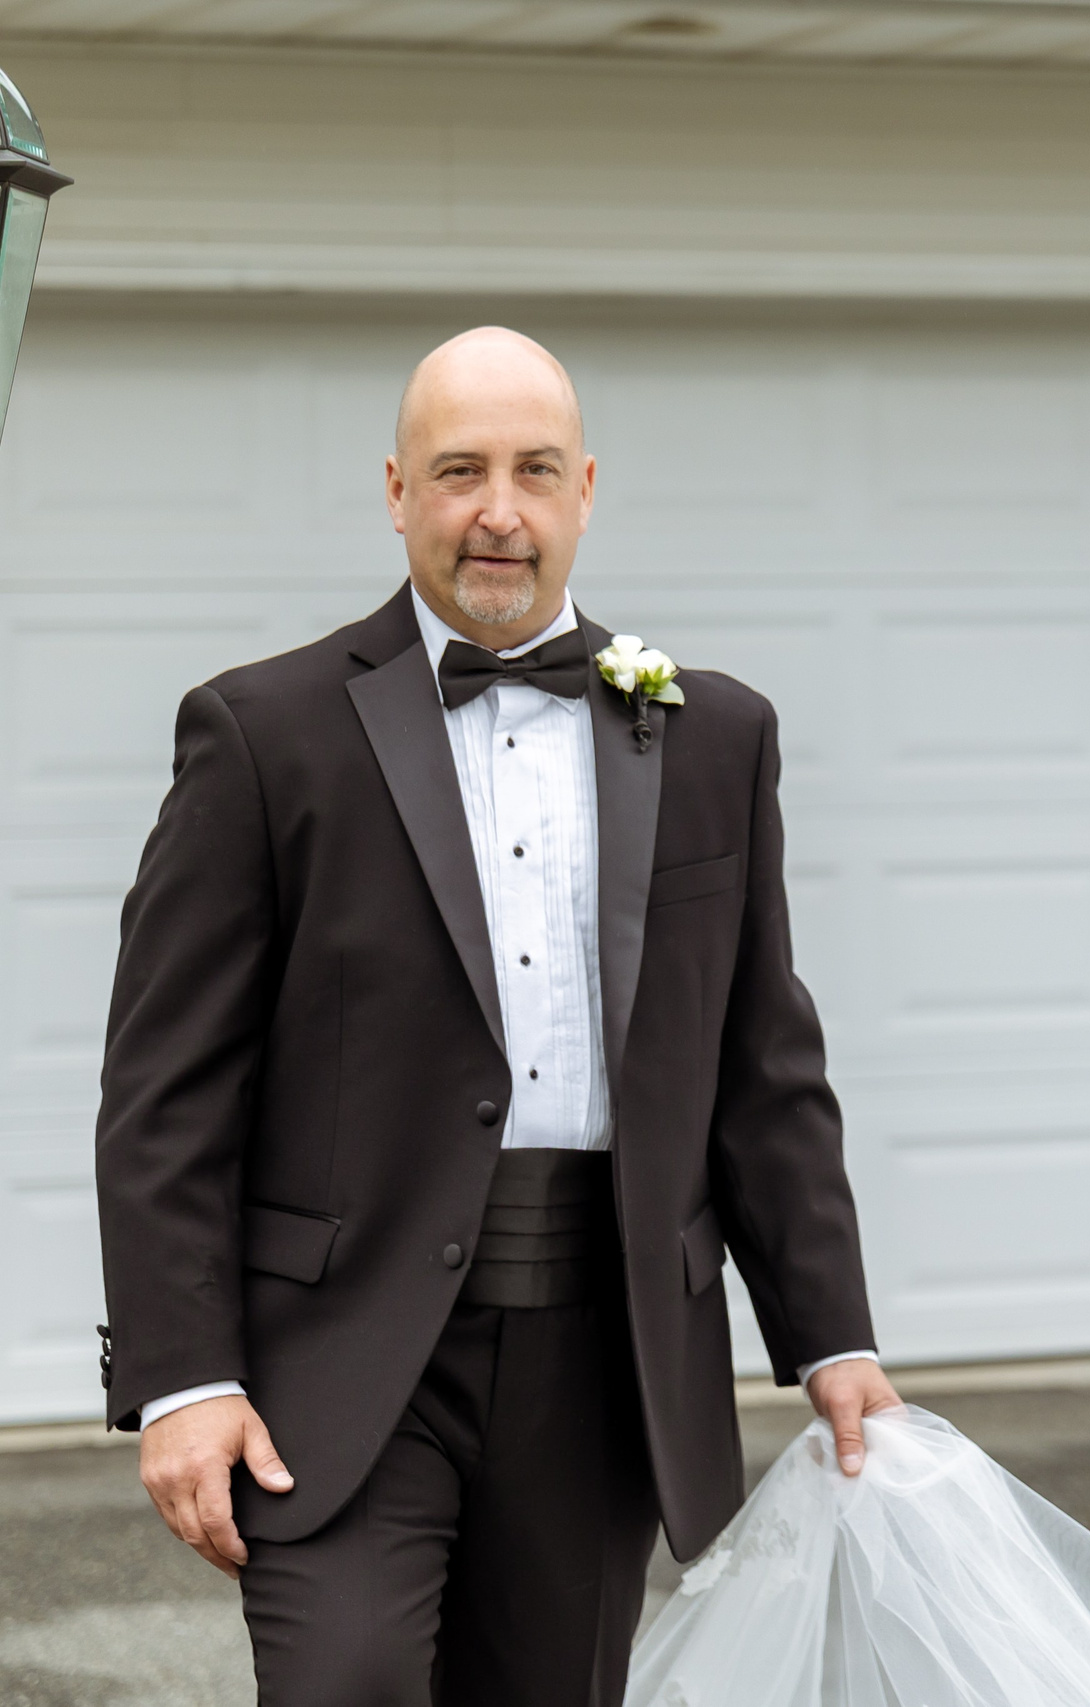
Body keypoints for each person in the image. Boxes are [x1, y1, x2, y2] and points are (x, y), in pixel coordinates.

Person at [92, 326, 901, 1706]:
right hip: (337, 1357)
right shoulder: (259, 732)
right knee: (343, 1681)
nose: (498, 510)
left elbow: (763, 1062)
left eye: (533, 470)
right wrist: (181, 1377)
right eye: (459, 470)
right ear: (397, 490)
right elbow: (167, 1087)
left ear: (584, 487)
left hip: (604, 1348)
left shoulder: (714, 736)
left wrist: (830, 1331)